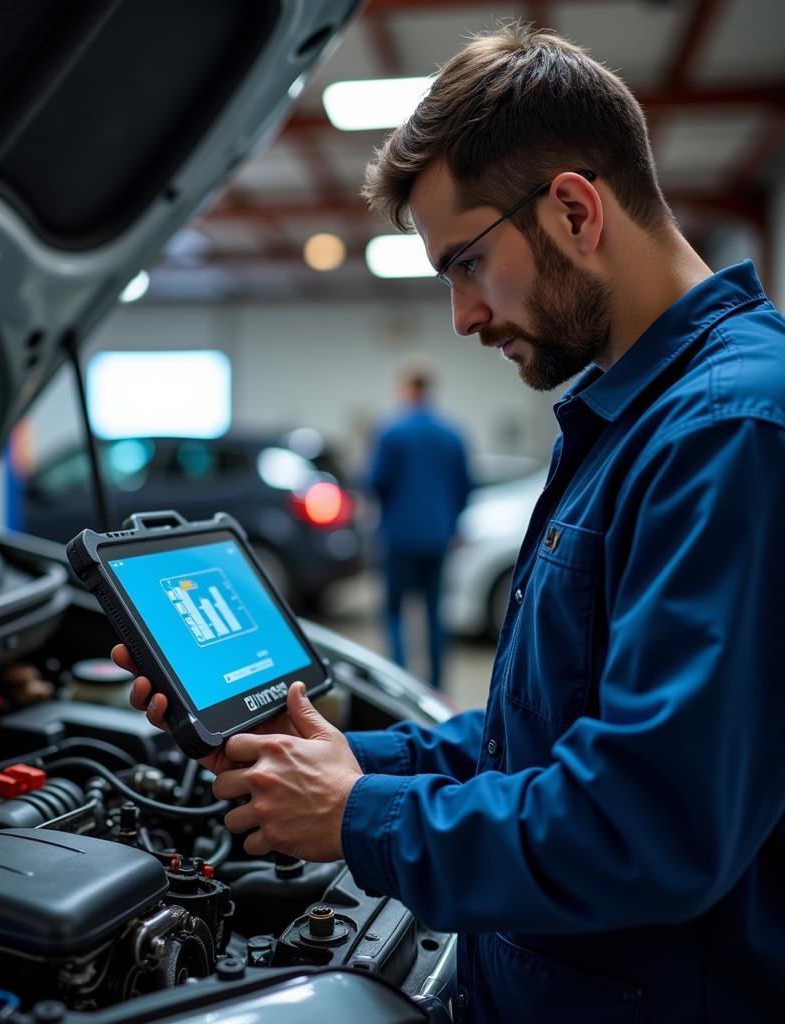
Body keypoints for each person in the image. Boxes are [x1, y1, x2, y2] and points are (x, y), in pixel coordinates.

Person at [116, 22, 785, 1022]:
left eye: (466, 263)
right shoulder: (629, 414)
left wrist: (359, 816)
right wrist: (336, 756)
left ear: (572, 209)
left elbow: (650, 825)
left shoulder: (729, 431)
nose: (464, 316)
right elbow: (547, 735)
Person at [367, 361, 471, 689]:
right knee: (434, 614)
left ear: (408, 388)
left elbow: (374, 480)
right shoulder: (453, 432)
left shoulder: (392, 431)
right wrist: (451, 523)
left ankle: (399, 685)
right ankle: (437, 687)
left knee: (395, 612)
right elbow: (466, 485)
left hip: (399, 536)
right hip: (438, 537)